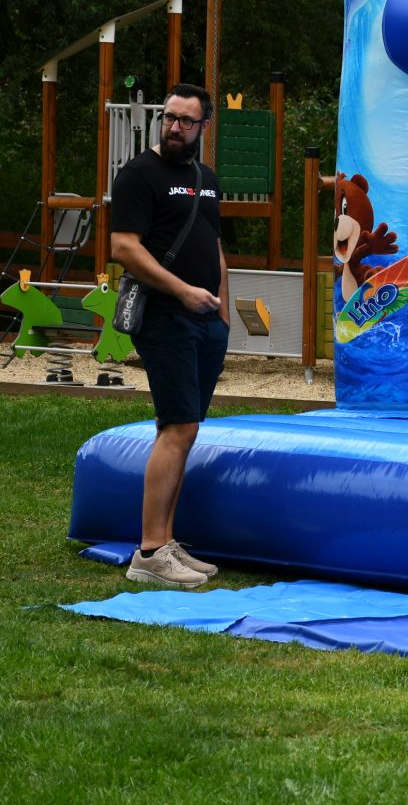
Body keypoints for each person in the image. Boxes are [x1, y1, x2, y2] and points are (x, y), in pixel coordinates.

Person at [109, 83, 230, 588]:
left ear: (204, 126)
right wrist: (182, 291)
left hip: (206, 320)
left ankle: (167, 540)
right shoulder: (139, 174)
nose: (175, 127)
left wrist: (224, 310)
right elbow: (124, 248)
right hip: (165, 316)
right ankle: (150, 553)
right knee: (176, 427)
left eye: (186, 120)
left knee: (185, 428)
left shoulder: (206, 177)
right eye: (169, 117)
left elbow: (215, 245)